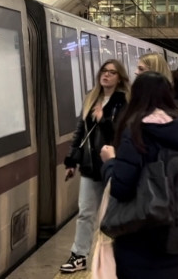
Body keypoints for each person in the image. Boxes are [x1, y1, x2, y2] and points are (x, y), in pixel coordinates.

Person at [100, 71, 178, 279]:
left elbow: (121, 187)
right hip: (175, 230)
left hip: (140, 231)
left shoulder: (136, 131)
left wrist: (110, 163)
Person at [60, 59, 131, 273]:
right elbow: (80, 133)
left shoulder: (124, 102)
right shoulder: (92, 98)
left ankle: (114, 256)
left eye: (112, 72)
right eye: (104, 71)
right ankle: (79, 255)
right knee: (85, 212)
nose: (106, 75)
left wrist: (104, 120)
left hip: (112, 166)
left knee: (111, 215)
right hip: (91, 167)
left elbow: (122, 133)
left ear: (120, 78)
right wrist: (72, 161)